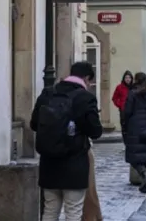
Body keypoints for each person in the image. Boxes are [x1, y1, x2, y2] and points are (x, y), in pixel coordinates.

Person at [30, 62, 104, 221]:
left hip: (49, 163)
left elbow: (34, 124)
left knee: (50, 211)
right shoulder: (86, 98)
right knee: (73, 212)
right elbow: (95, 132)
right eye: (90, 82)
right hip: (74, 164)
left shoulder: (48, 93)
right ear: (86, 78)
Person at [122, 72, 146, 194]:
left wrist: (124, 125)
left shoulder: (132, 94)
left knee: (134, 156)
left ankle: (144, 175)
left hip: (135, 127)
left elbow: (127, 112)